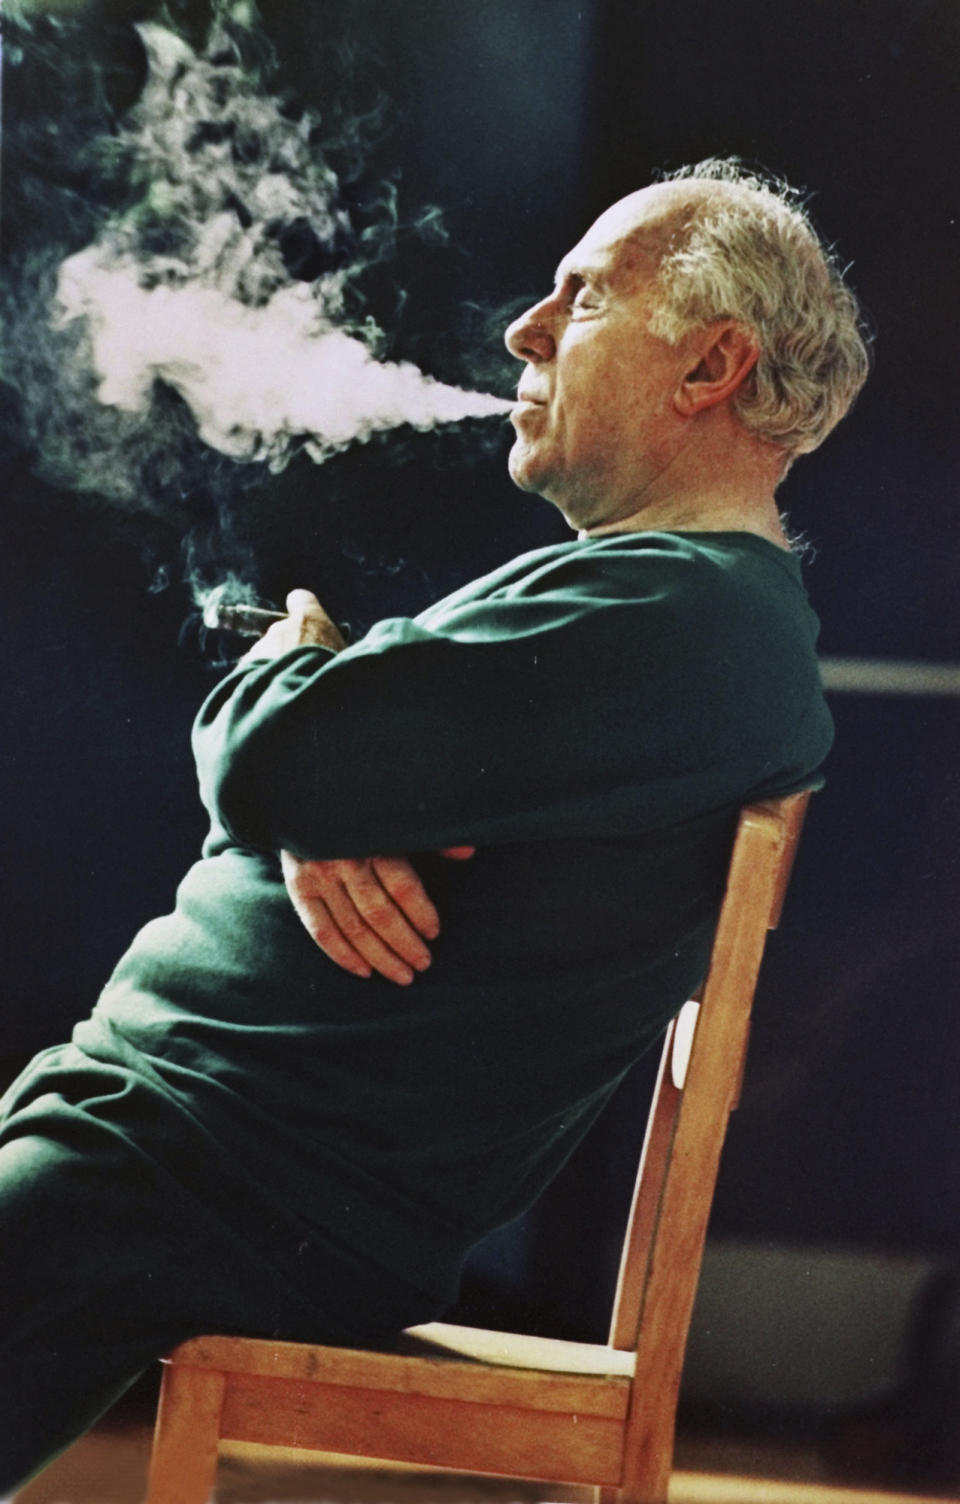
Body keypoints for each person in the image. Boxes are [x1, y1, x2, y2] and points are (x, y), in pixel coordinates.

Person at [0, 158, 868, 1491]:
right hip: (169, 1151)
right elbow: (309, 762)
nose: (523, 330)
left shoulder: (681, 620)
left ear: (711, 368)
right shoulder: (667, 611)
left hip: (203, 1178)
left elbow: (277, 752)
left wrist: (294, 702)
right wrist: (313, 796)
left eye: (581, 299)